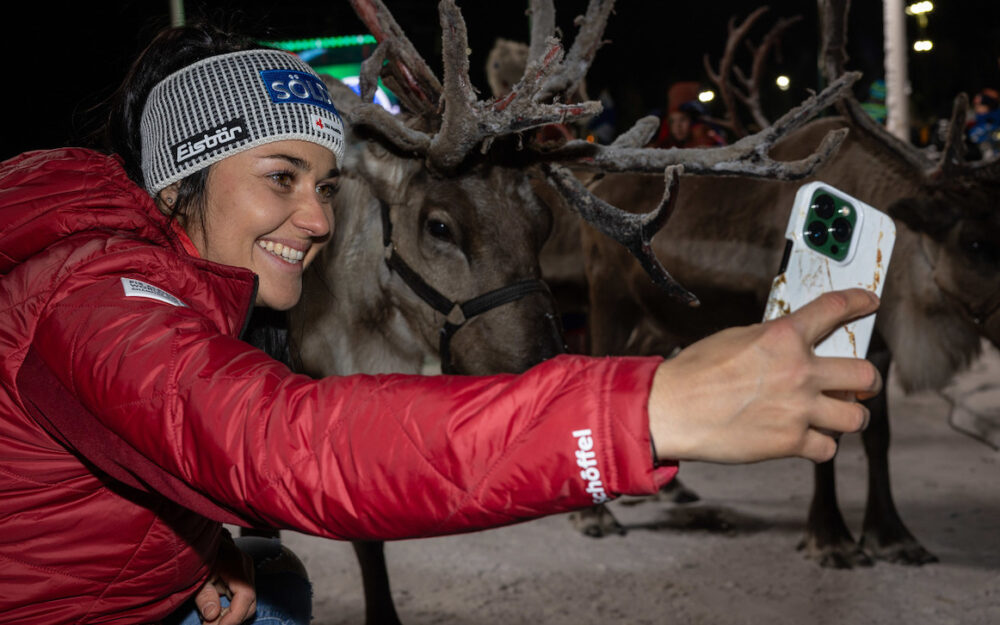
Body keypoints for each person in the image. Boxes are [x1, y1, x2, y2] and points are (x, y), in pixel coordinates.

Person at [0, 23, 882, 625]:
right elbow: (286, 443)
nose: (315, 220)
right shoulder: (94, 294)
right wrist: (648, 408)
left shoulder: (159, 275)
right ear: (176, 183)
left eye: (326, 186)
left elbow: (149, 442)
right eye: (280, 178)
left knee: (270, 582)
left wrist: (193, 550)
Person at [650, 81, 725, 149]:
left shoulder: (709, 143)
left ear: (692, 122)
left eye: (683, 119)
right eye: (672, 121)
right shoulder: (663, 147)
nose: (678, 126)